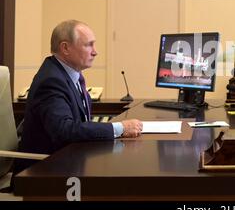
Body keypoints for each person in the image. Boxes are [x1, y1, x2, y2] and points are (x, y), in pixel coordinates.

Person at [14, 20, 143, 174]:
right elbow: (65, 130)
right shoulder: (51, 80)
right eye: (88, 45)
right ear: (65, 48)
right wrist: (120, 128)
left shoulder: (69, 75)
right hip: (44, 173)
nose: (95, 52)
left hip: (66, 162)